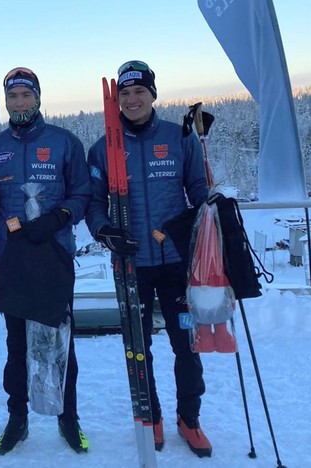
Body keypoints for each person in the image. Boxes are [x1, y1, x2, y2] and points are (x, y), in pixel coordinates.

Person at [85, 60, 212, 457]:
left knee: (186, 343)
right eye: (124, 93)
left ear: (153, 95)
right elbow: (93, 202)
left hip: (178, 264)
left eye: (139, 91)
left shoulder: (180, 138)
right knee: (138, 347)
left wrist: (208, 222)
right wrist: (104, 229)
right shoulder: (103, 147)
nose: (132, 99)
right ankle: (150, 414)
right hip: (131, 265)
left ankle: (189, 419)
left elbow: (199, 192)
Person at [0, 67, 91, 455]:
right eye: (13, 97)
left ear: (38, 98)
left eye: (26, 95)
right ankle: (17, 419)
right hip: (11, 258)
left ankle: (68, 417)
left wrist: (60, 217)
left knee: (62, 340)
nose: (20, 103)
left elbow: (82, 193)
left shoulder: (64, 142)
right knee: (15, 346)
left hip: (54, 253)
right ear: (7, 102)